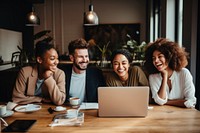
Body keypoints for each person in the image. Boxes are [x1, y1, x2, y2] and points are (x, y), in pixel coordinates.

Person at [144, 38, 196, 108]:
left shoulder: (184, 73)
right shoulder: (153, 77)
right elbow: (159, 101)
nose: (156, 61)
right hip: (163, 115)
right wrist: (164, 76)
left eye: (160, 56)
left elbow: (190, 102)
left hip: (184, 115)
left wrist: (166, 102)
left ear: (169, 57)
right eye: (153, 58)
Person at [61, 38, 106, 103]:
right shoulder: (63, 73)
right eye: (80, 57)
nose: (85, 60)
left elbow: (103, 98)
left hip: (89, 111)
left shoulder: (96, 73)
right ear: (72, 58)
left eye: (86, 56)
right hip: (68, 110)